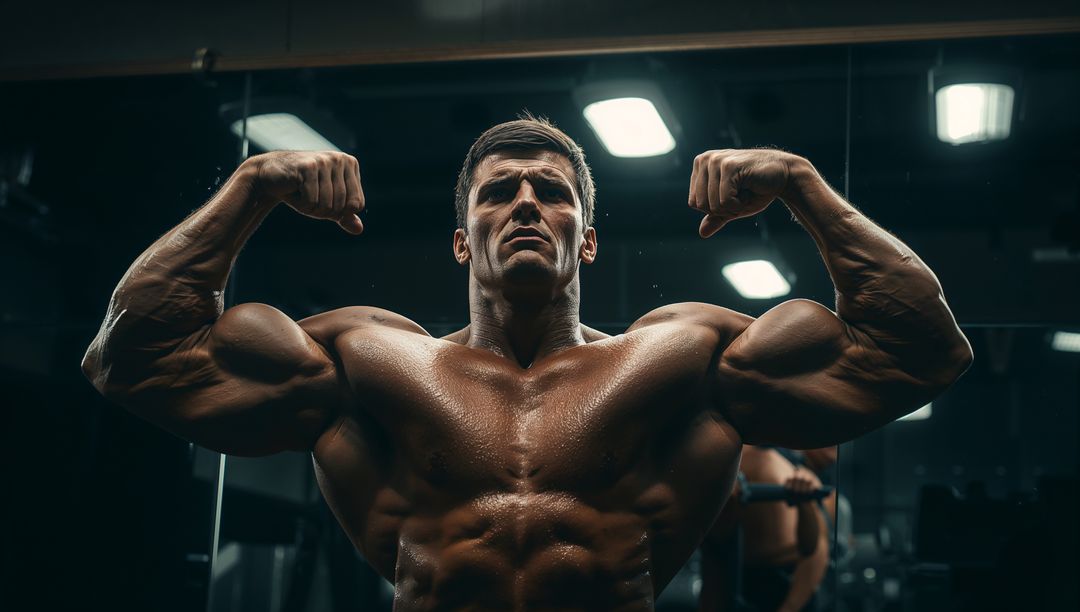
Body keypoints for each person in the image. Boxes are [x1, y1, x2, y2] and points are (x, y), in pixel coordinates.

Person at [82, 116, 972, 609]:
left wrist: (801, 184)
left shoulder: (685, 361)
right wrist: (250, 190)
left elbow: (921, 352)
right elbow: (131, 361)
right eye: (497, 192)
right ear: (461, 240)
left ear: (587, 240)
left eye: (551, 192)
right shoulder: (366, 363)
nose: (524, 204)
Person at [699, 446, 834, 612]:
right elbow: (715, 553)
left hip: (789, 586)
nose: (833, 451)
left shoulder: (804, 475)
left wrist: (788, 609)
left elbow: (814, 549)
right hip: (742, 577)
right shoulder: (734, 457)